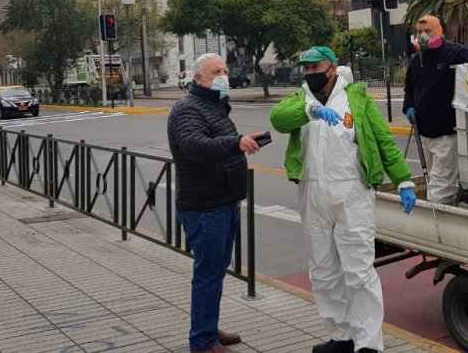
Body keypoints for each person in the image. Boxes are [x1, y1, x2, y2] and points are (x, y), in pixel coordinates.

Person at [270, 46, 416, 353]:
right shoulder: (301, 99)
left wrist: (403, 179)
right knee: (323, 272)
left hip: (352, 193)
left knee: (359, 272)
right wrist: (310, 111)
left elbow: (384, 140)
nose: (310, 74)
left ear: (333, 67)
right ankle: (341, 337)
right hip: (312, 193)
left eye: (316, 67)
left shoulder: (358, 99)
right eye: (306, 69)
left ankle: (368, 344)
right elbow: (278, 119)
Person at [167, 53, 268, 353]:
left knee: (215, 272)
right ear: (198, 79)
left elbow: (220, 148)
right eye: (216, 72)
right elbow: (196, 147)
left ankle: (208, 329)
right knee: (208, 275)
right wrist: (235, 143)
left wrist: (240, 144)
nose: (224, 75)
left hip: (223, 203)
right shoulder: (188, 110)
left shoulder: (214, 107)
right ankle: (202, 342)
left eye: (225, 70)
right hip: (204, 207)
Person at [403, 15, 468, 204]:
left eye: (428, 31)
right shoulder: (416, 60)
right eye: (419, 32)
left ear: (439, 31)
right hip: (423, 132)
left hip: (445, 134)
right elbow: (409, 88)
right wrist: (408, 106)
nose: (423, 35)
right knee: (433, 177)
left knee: (441, 184)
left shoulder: (453, 52)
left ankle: (438, 217)